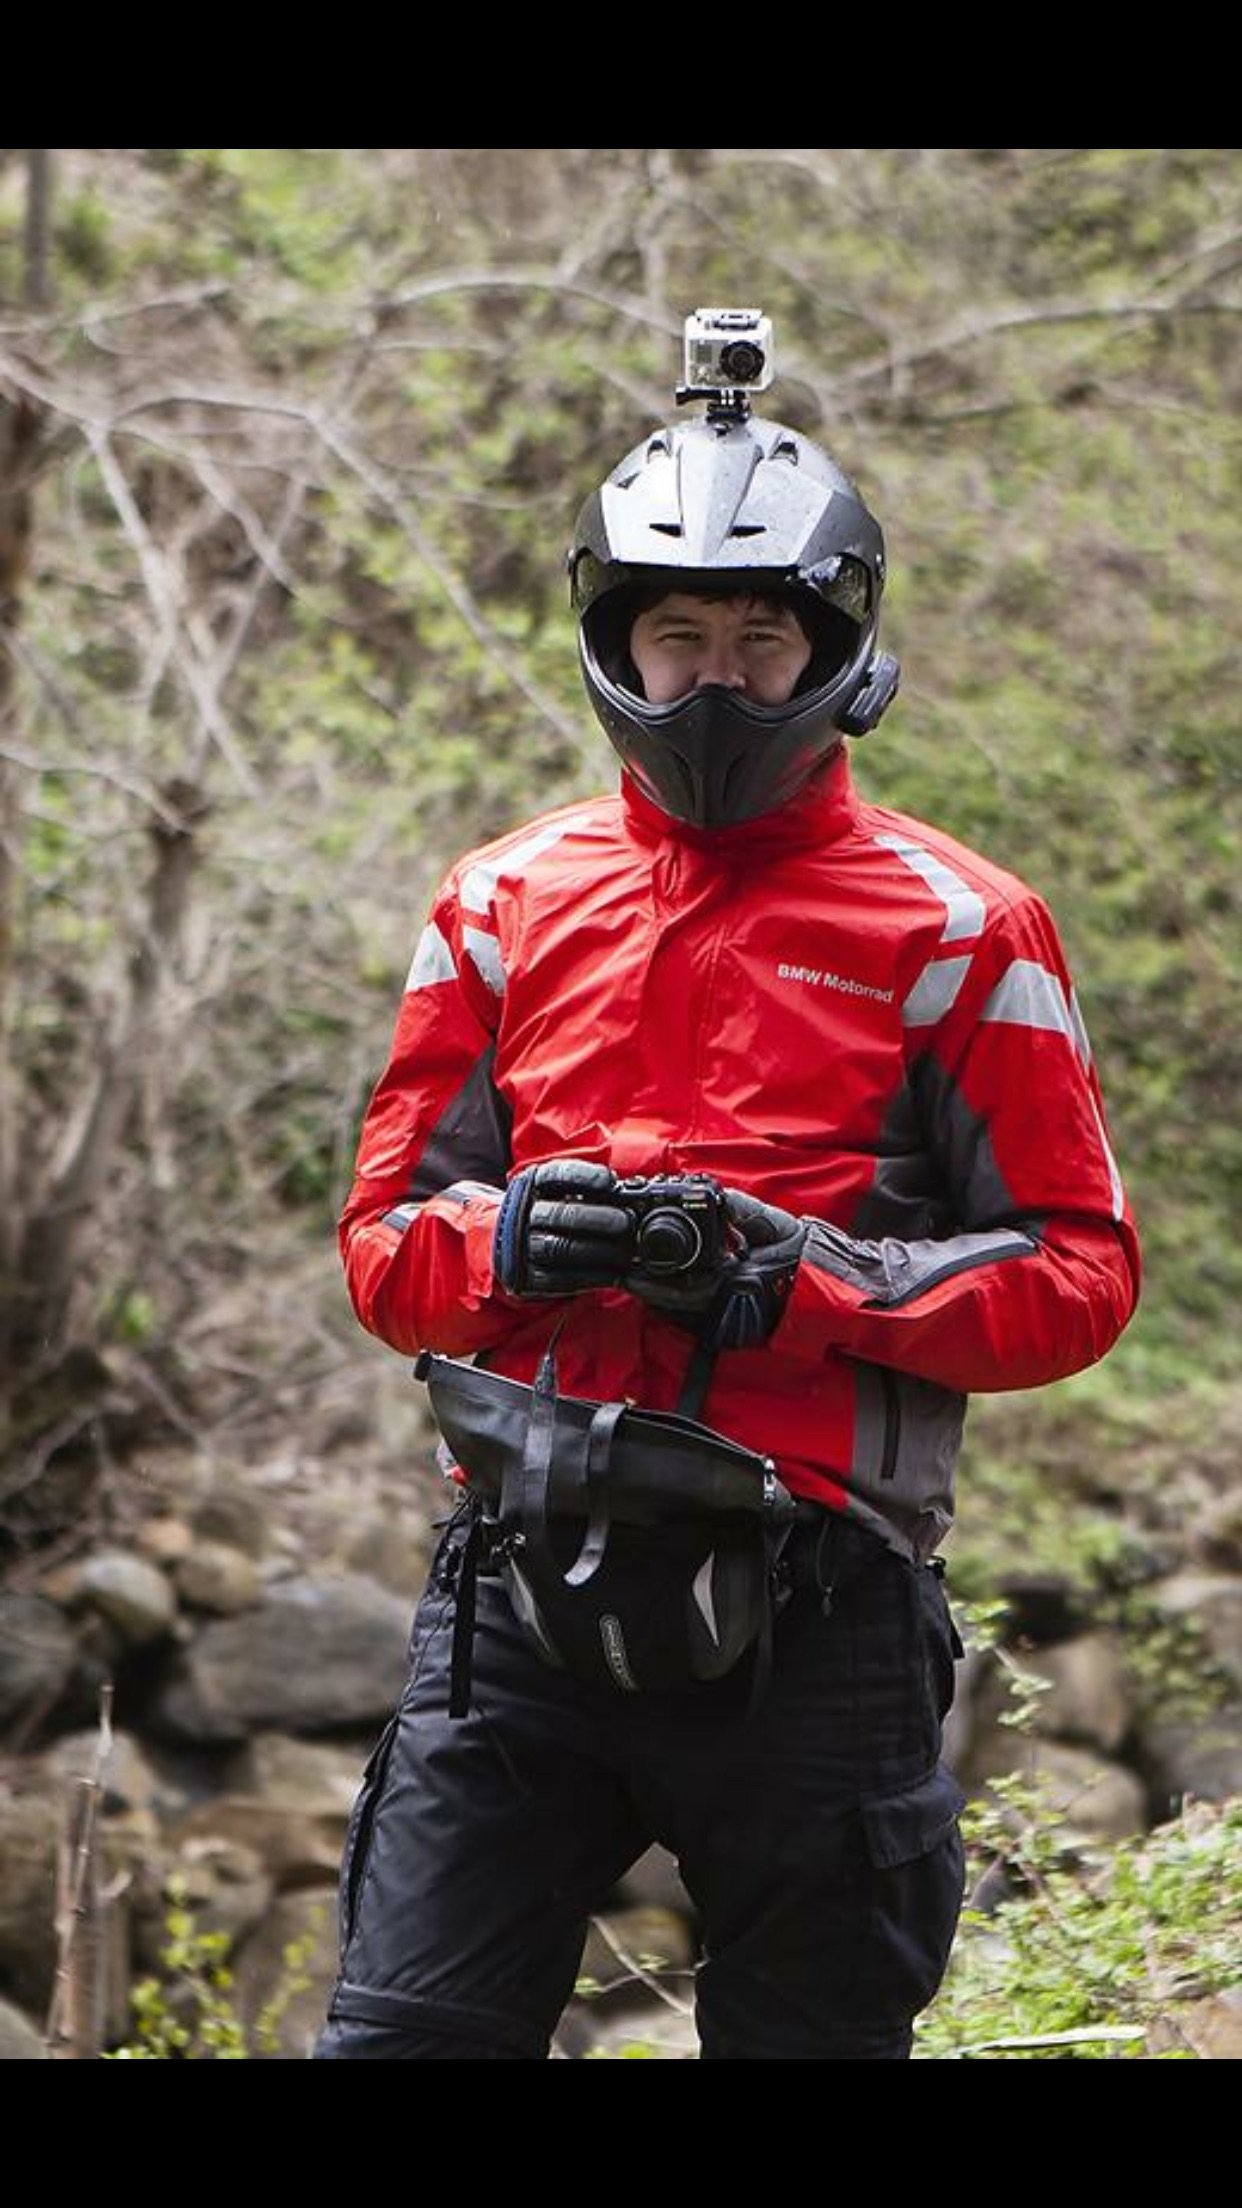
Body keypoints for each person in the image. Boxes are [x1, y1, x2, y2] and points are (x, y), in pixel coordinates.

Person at [314, 359, 1141, 2062]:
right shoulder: (499, 902)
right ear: (613, 649)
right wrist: (503, 1243)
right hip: (517, 1584)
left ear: (835, 651)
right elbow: (385, 1250)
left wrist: (807, 1282)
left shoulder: (960, 927)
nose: (714, 681)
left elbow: (1077, 1275)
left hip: (820, 1601)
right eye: (677, 636)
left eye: (758, 640)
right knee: (399, 2041)